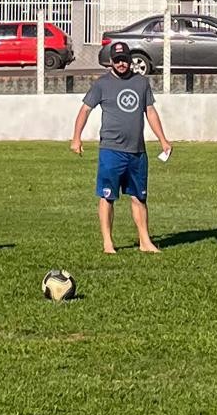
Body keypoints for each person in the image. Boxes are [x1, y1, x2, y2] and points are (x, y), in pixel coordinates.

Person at [70, 40, 172, 255]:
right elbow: (85, 110)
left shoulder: (141, 82)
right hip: (111, 150)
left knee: (139, 197)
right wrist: (76, 138)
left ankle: (145, 241)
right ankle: (108, 243)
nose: (121, 64)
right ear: (111, 62)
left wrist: (163, 139)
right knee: (108, 196)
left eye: (124, 59)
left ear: (130, 60)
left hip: (137, 151)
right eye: (117, 60)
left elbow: (150, 112)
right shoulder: (101, 84)